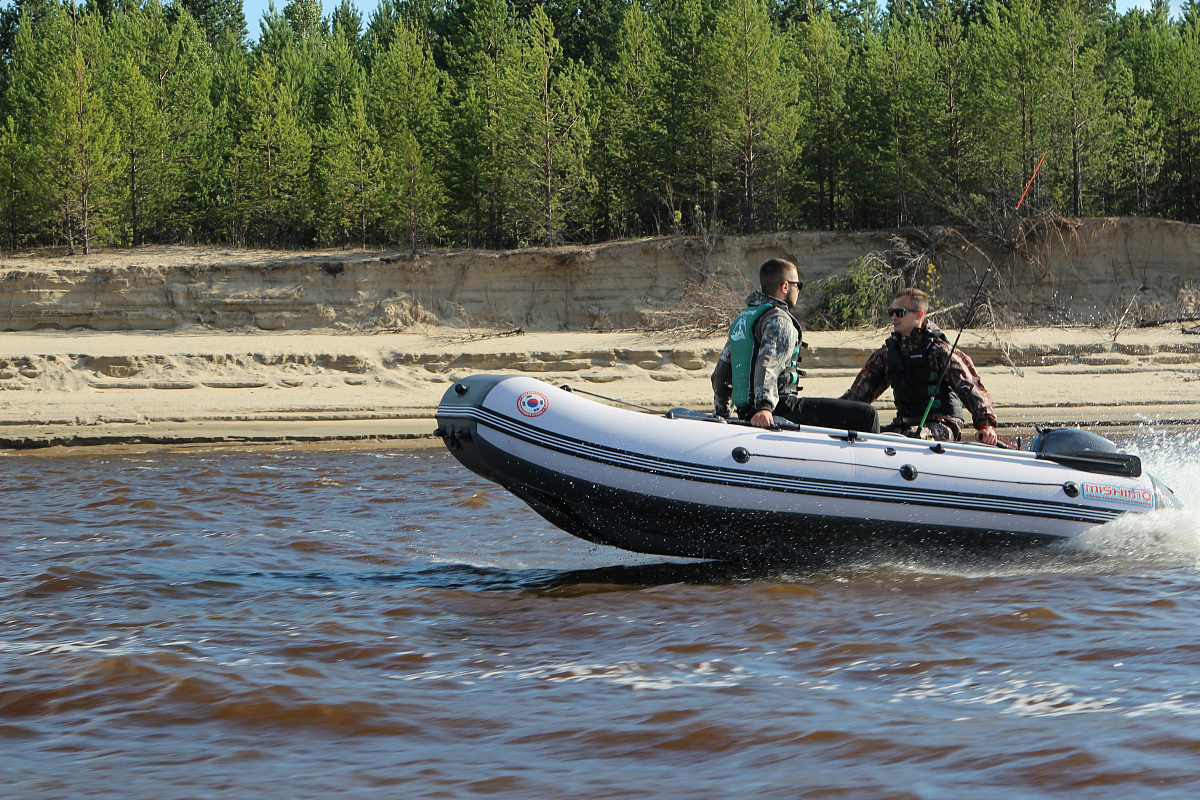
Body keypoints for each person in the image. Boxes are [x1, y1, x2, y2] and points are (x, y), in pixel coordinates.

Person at [712, 259, 879, 432]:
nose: (798, 290)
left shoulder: (744, 319)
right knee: (867, 414)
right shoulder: (778, 319)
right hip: (780, 408)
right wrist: (764, 407)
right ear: (785, 286)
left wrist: (722, 412)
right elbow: (768, 364)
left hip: (745, 412)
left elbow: (720, 374)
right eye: (798, 285)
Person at [840, 287, 999, 445]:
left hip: (941, 425)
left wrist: (985, 424)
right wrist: (834, 413)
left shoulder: (940, 351)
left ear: (919, 315)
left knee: (911, 436)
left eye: (900, 312)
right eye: (891, 312)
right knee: (871, 435)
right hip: (904, 424)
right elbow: (857, 395)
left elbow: (970, 387)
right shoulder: (886, 354)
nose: (894, 317)